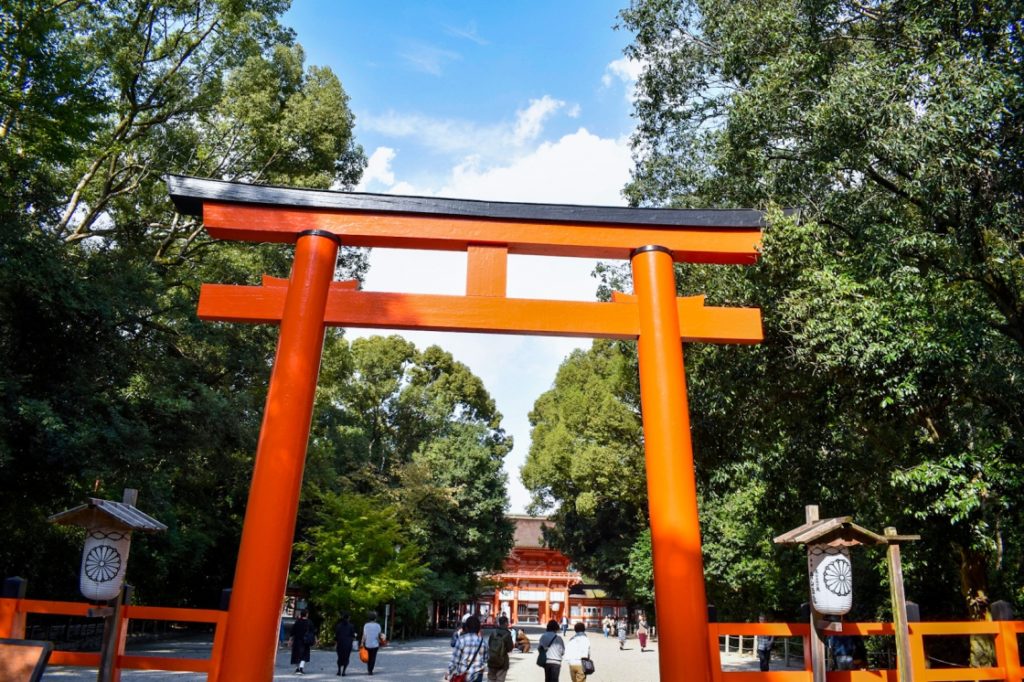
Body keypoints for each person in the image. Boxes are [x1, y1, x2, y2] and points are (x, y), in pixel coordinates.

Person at [446, 614, 487, 682]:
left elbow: (455, 659)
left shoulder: (461, 640)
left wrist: (449, 671)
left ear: (467, 627)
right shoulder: (483, 642)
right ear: (478, 628)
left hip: (463, 674)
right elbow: (486, 658)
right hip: (477, 675)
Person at [486, 614, 515, 682]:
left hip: (492, 659)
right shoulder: (507, 634)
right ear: (506, 623)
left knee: (491, 679)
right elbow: (510, 648)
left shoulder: (493, 632)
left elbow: (489, 644)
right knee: (500, 679)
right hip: (503, 661)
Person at [289, 609, 314, 675]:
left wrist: (290, 640)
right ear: (306, 614)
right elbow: (313, 632)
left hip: (297, 641)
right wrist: (315, 640)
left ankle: (297, 669)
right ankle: (301, 668)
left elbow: (292, 632)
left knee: (296, 655)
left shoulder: (297, 622)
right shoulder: (309, 622)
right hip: (305, 641)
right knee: (304, 655)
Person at [361, 610, 383, 675]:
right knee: (373, 657)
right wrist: (380, 641)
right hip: (375, 644)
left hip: (368, 643)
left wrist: (362, 643)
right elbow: (379, 635)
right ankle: (370, 670)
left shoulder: (366, 625)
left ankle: (369, 669)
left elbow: (364, 635)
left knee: (368, 657)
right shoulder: (378, 626)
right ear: (375, 618)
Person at [334, 612, 356, 677]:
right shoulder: (351, 626)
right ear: (348, 618)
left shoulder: (338, 626)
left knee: (340, 657)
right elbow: (353, 635)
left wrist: (335, 643)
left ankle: (339, 670)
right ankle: (344, 671)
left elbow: (336, 636)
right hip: (348, 644)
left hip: (340, 643)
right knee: (346, 657)